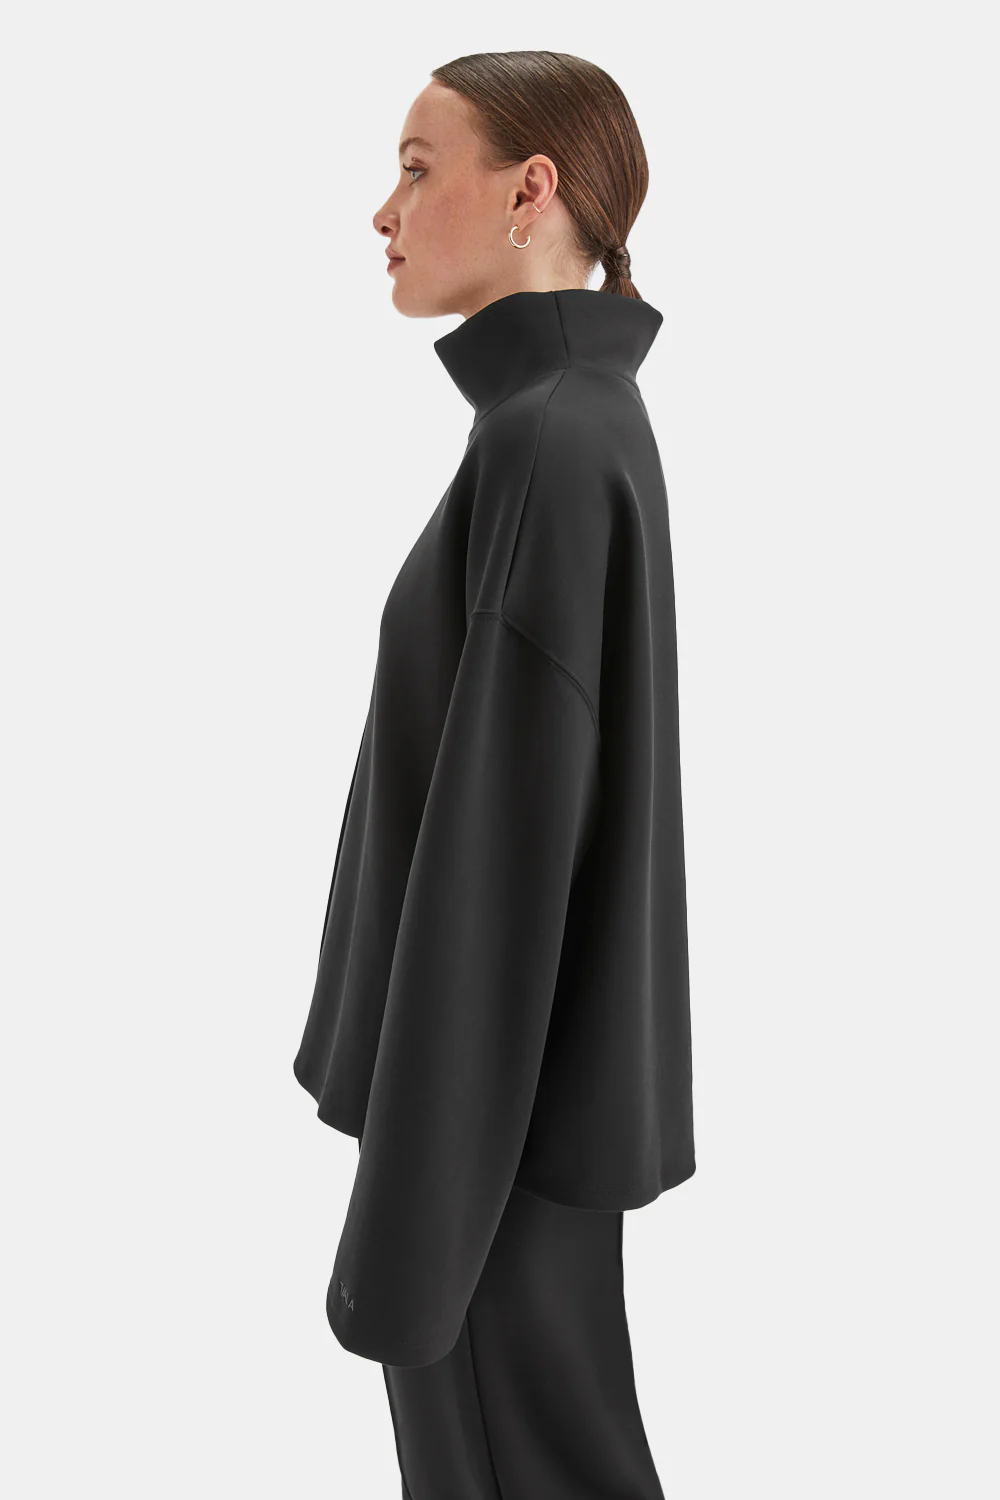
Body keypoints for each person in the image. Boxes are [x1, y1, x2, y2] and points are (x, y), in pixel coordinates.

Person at [293, 49, 695, 1499]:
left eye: (417, 168)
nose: (384, 211)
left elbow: (502, 867)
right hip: (509, 1132)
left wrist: (418, 1214)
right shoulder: (571, 423)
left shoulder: (544, 443)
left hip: (485, 1149)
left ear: (531, 191)